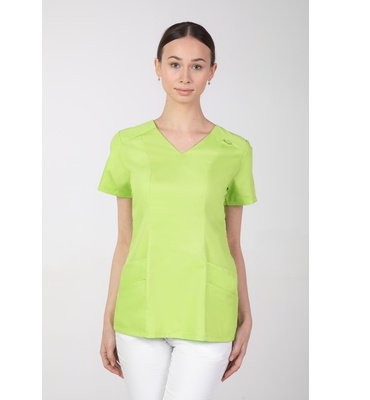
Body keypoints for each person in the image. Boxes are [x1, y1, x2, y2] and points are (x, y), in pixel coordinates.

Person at [98, 21, 257, 400]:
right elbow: (125, 240)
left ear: (212, 72)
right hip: (140, 310)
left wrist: (246, 316)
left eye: (197, 66)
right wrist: (107, 319)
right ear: (158, 67)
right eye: (174, 64)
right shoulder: (128, 144)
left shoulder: (234, 150)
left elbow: (232, 243)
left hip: (207, 310)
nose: (185, 76)